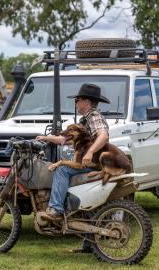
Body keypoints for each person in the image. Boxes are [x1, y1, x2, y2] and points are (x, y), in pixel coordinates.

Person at [36, 83, 110, 252]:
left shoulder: (94, 116)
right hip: (92, 161)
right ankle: (89, 245)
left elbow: (103, 135)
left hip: (93, 162)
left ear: (86, 101)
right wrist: (46, 138)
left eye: (77, 100)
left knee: (61, 169)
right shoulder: (84, 120)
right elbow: (65, 140)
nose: (75, 103)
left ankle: (54, 209)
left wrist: (90, 152)